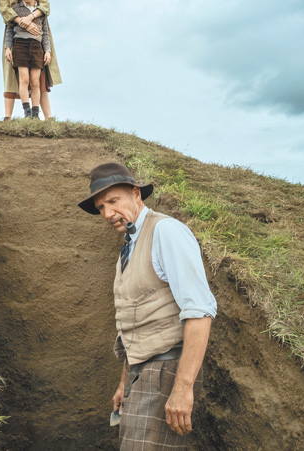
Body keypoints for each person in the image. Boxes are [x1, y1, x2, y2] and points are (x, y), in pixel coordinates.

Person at [77, 163, 217, 450]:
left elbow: (200, 312)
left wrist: (182, 387)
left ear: (136, 194)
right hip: (143, 373)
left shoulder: (165, 232)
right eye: (101, 207)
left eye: (114, 201)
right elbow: (138, 321)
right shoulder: (130, 244)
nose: (107, 213)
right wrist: (125, 383)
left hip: (167, 371)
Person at [0, 0, 62, 120]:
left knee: (39, 77)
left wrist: (30, 18)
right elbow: (4, 10)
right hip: (15, 33)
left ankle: (46, 118)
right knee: (13, 74)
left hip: (37, 30)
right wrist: (21, 21)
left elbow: (45, 5)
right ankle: (8, 117)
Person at [4, 0, 51, 119]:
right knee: (24, 79)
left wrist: (47, 50)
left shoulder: (40, 11)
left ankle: (36, 114)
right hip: (20, 45)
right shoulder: (15, 9)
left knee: (35, 81)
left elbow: (46, 33)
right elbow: (9, 30)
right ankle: (27, 112)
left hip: (37, 47)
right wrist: (8, 47)